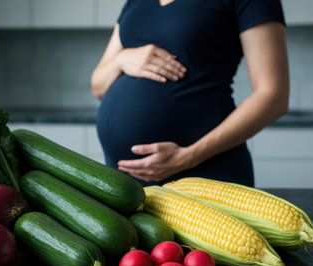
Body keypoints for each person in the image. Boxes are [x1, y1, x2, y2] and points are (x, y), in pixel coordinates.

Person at [91, 0, 289, 187]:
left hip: (204, 172)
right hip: (125, 181)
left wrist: (188, 157)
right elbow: (98, 87)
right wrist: (122, 59)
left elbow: (273, 96)